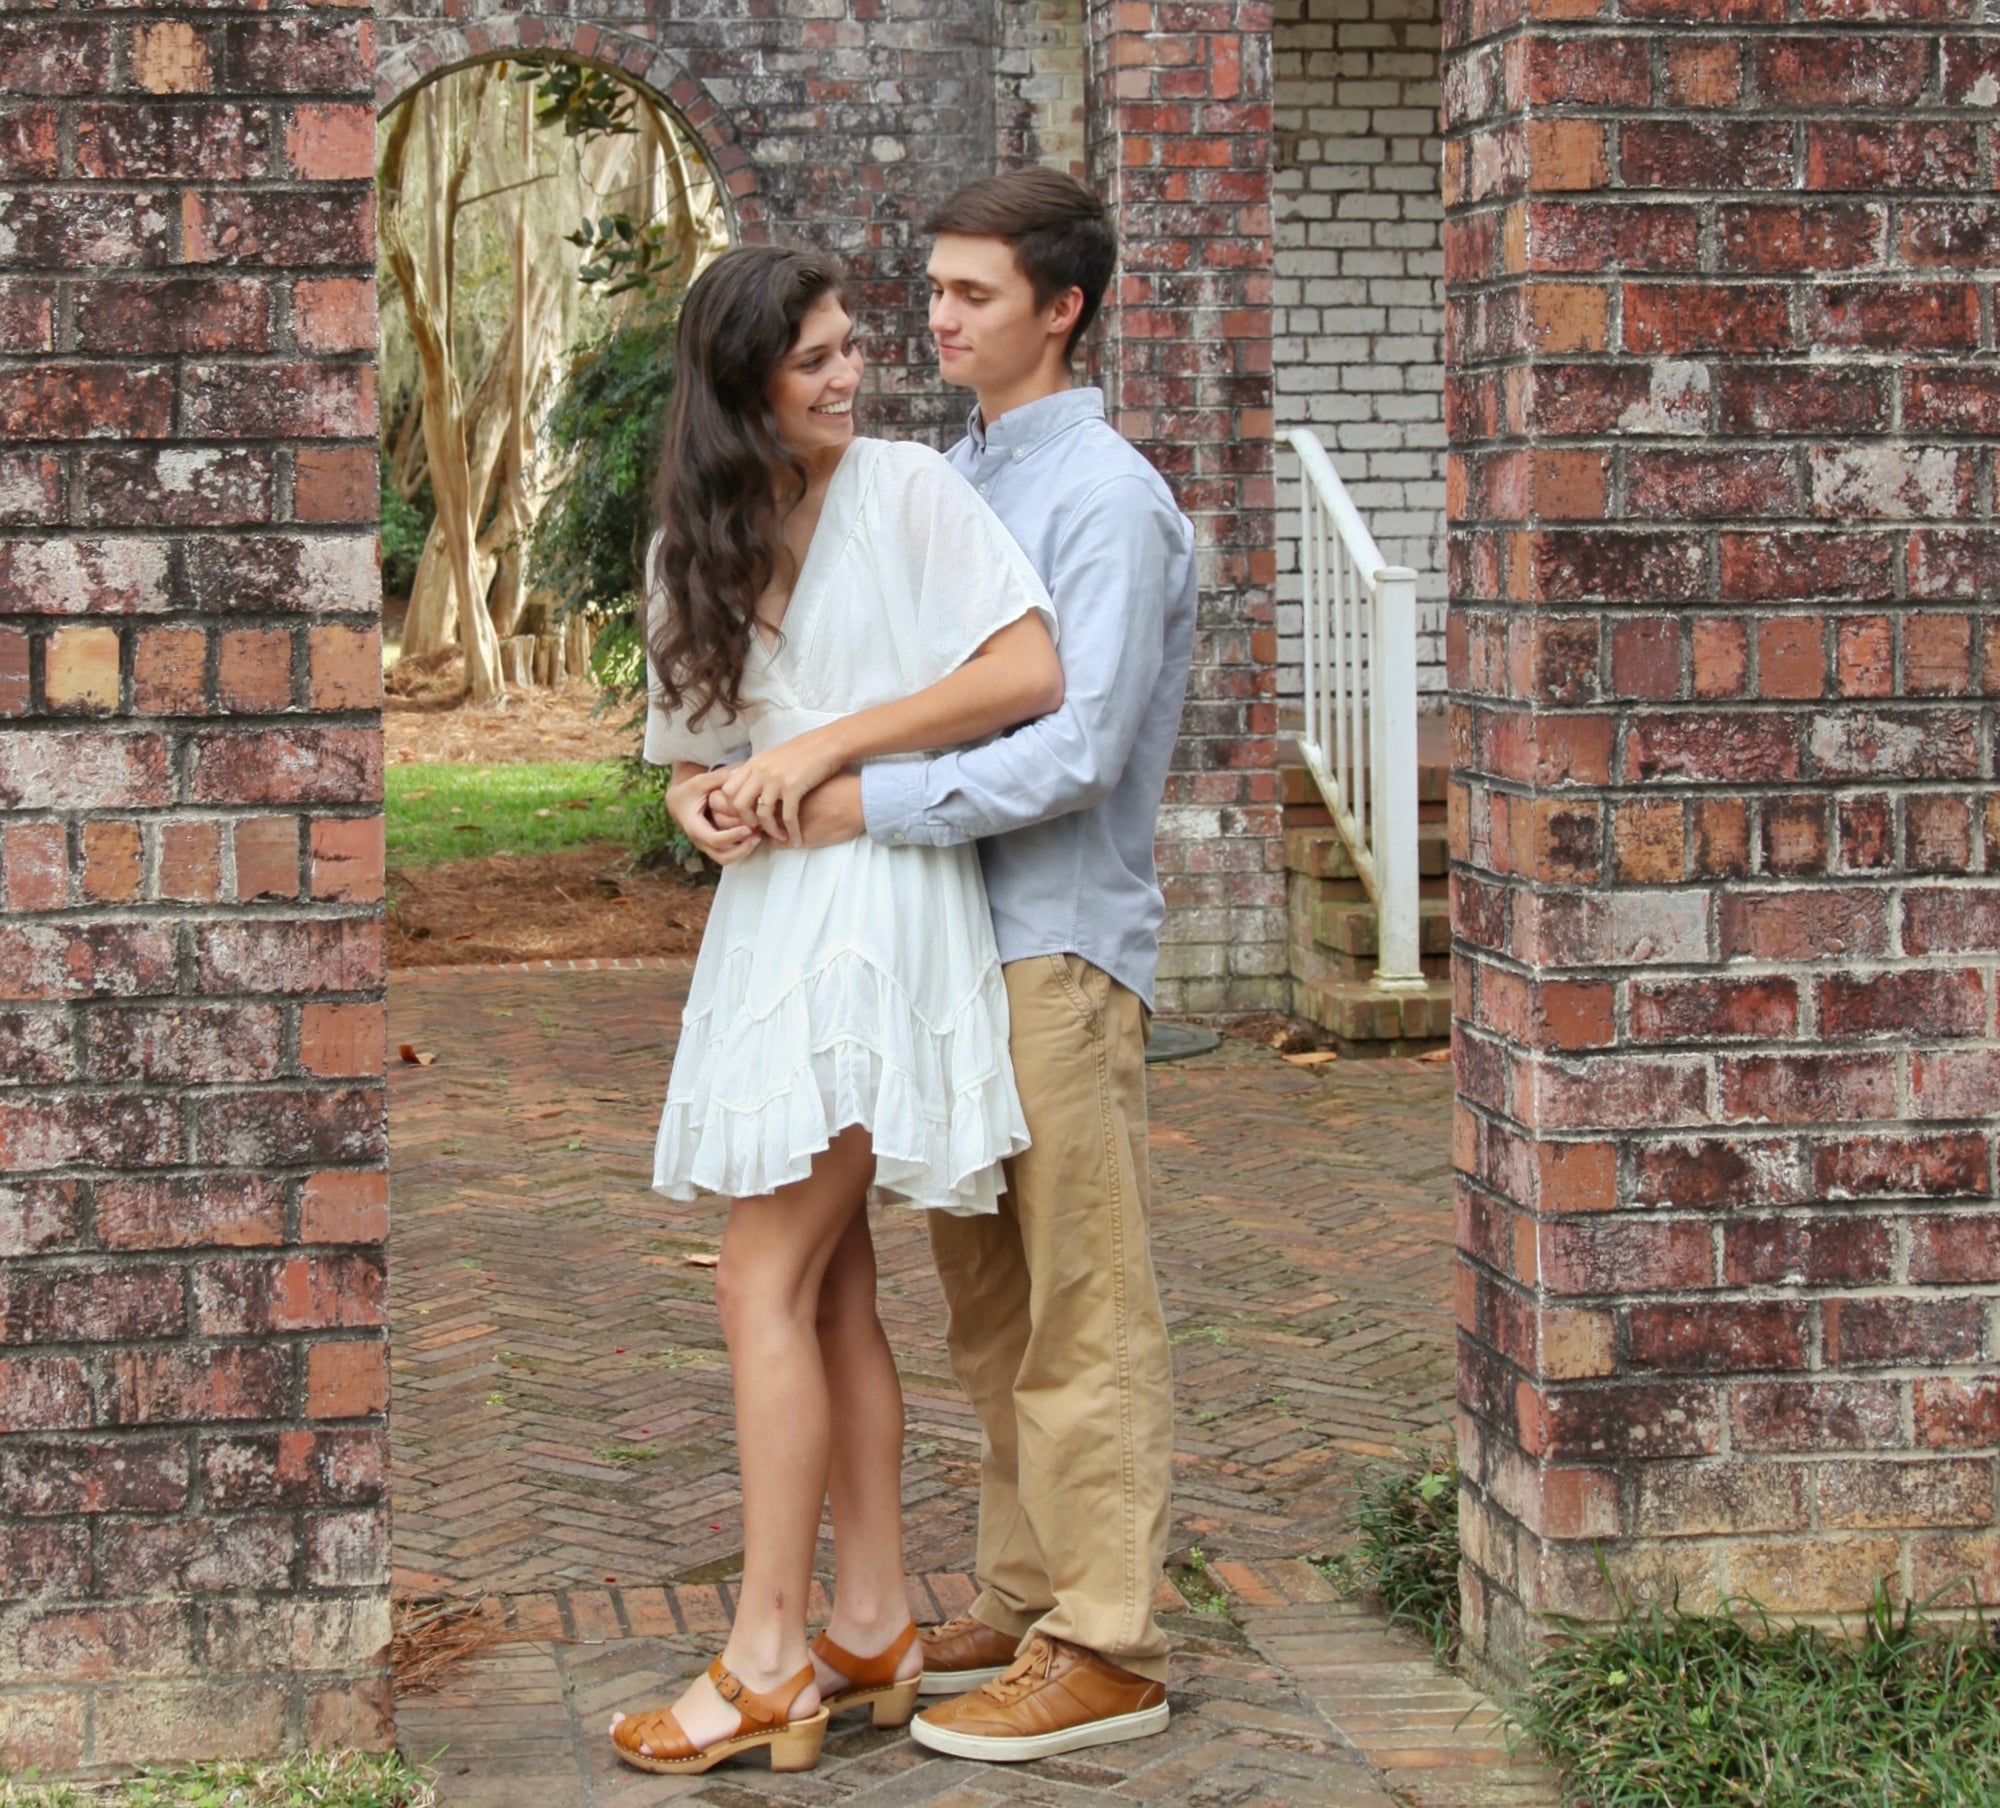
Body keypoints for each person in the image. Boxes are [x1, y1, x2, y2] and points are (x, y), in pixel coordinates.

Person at [606, 243, 1064, 1777]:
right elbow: (689, 750)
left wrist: (827, 758)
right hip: (770, 920)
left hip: (878, 905)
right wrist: (706, 811)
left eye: (853, 345)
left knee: (758, 1278)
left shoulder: (914, 491)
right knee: (832, 1283)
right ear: (741, 386)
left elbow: (1027, 670)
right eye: (816, 359)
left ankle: (764, 1657)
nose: (854, 372)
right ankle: (869, 1623)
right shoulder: (695, 538)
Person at [782, 167, 1199, 1762]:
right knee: (992, 1302)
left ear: (1062, 308)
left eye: (972, 295)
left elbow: (1080, 747)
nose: (936, 317)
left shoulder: (1100, 494)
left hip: (1055, 948)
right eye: (935, 289)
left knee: (1086, 1301)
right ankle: (1029, 1595)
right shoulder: (953, 474)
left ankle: (1110, 1641)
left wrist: (866, 805)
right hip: (951, 947)